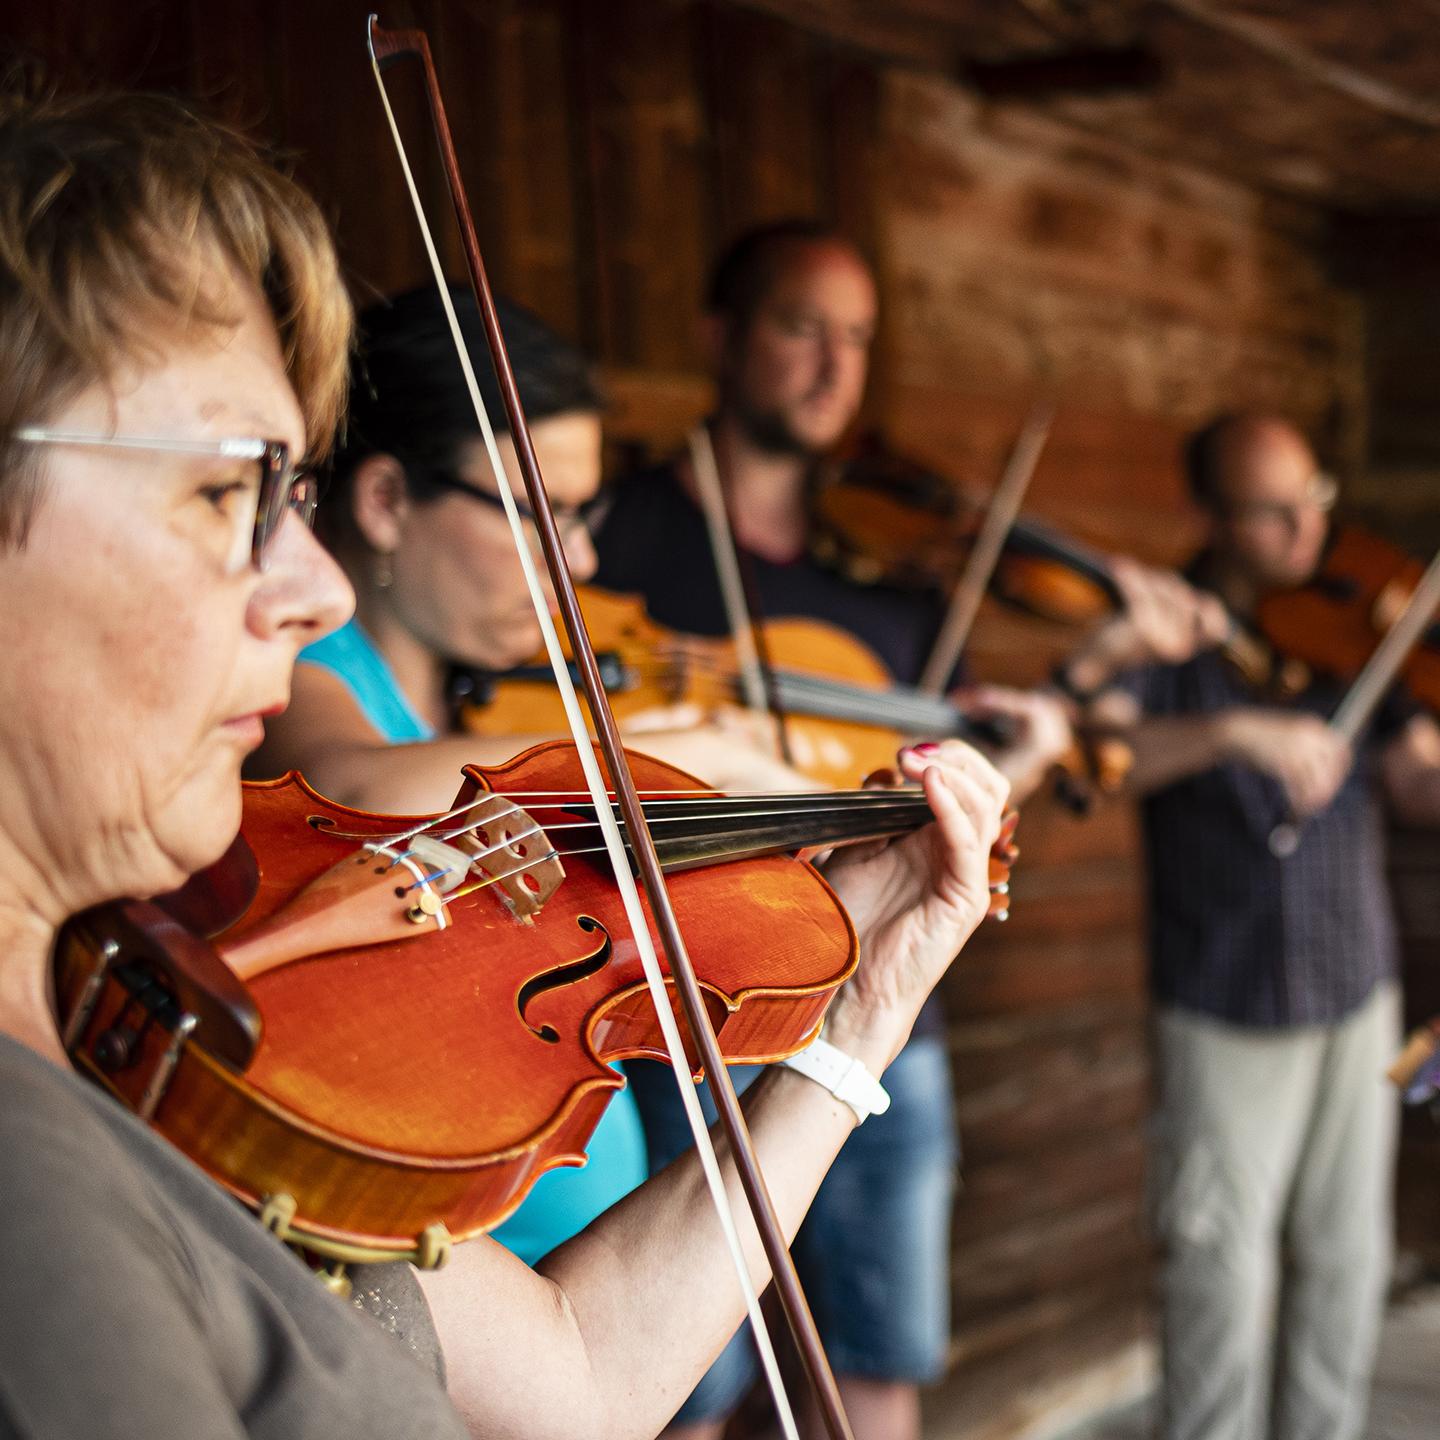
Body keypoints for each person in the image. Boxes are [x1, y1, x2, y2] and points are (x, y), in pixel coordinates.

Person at [0, 85, 1011, 1440]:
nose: (318, 592)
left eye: (290, 500)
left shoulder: (155, 1038)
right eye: (223, 489)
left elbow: (581, 1378)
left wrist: (861, 1012)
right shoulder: (37, 1183)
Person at [591, 219, 1224, 1440]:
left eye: (859, 339)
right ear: (722, 338)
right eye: (800, 326)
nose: (834, 366)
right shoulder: (615, 542)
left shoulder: (893, 579)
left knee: (882, 1359)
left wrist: (1047, 730)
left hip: (883, 1023)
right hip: (687, 1014)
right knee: (681, 1376)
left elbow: (950, 795)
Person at [252, 283, 824, 1266]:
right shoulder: (310, 667)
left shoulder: (472, 709)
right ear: (387, 501)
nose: (582, 557)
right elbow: (351, 787)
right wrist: (659, 759)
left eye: (584, 512)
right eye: (540, 513)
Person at [1098, 413, 1440, 1440]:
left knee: (1349, 1257)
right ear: (1208, 515)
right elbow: (1098, 758)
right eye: (1272, 511)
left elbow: (1415, 772)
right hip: (1224, 999)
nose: (1305, 530)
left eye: (1314, 500)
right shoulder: (1166, 634)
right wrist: (1228, 733)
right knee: (1219, 1271)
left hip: (1357, 990)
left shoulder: (1349, 625)